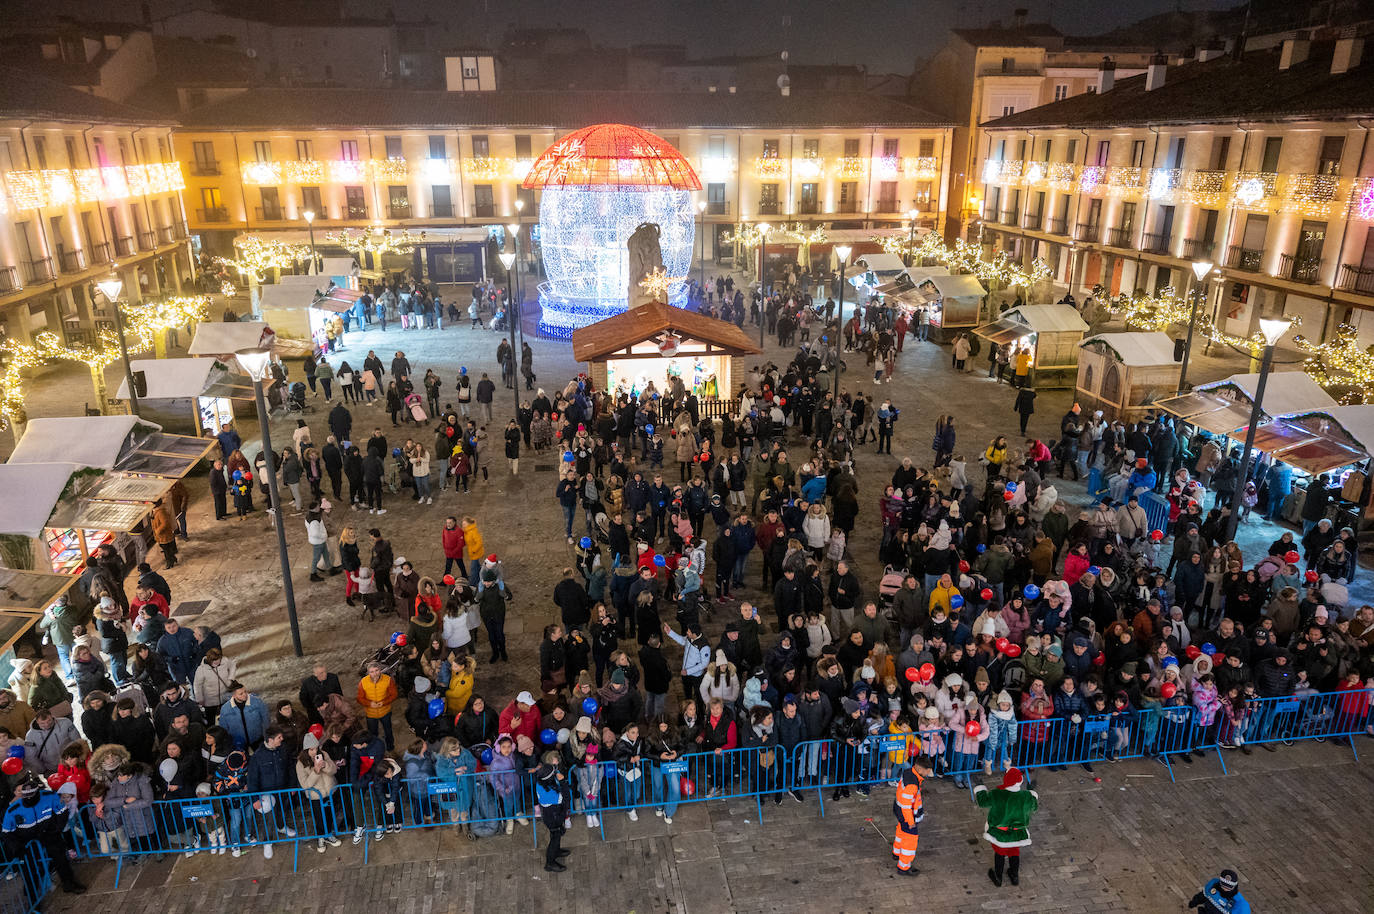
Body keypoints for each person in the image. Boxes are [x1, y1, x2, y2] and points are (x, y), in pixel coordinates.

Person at [2, 774, 86, 894]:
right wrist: (18, 848)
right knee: (29, 867)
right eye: (27, 797)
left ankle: (69, 884)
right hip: (27, 840)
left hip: (48, 833)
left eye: (32, 796)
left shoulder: (50, 796)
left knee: (61, 858)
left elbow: (62, 812)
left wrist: (56, 830)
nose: (30, 799)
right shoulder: (12, 810)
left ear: (38, 793)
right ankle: (31, 897)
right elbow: (6, 833)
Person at [973, 765, 1039, 887]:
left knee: (1000, 853)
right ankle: (1014, 876)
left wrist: (980, 787)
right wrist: (1032, 793)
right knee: (1014, 851)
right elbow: (1034, 806)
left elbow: (982, 802)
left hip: (1000, 833)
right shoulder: (1025, 796)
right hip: (1018, 833)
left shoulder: (997, 794)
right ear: (1020, 781)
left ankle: (998, 877)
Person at [891, 761, 934, 876]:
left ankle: (896, 852)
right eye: (927, 771)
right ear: (920, 769)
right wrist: (911, 822)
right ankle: (904, 867)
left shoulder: (908, 772)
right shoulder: (912, 785)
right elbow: (907, 805)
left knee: (901, 831)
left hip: (898, 809)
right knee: (910, 841)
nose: (929, 773)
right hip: (907, 816)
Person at [534, 750, 570, 872]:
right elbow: (565, 798)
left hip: (551, 813)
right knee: (555, 837)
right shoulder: (549, 793)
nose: (556, 772)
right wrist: (563, 781)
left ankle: (557, 851)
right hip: (553, 815)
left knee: (557, 834)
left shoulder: (541, 782)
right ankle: (550, 862)